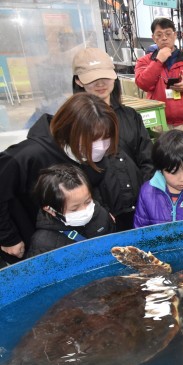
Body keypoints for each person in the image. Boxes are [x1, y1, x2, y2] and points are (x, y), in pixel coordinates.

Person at [0, 93, 118, 265]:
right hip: (30, 241)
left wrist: (102, 210)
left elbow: (95, 184)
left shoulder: (96, 154)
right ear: (69, 131)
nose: (101, 146)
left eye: (106, 138)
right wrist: (8, 238)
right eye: (92, 139)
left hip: (72, 239)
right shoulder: (27, 156)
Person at [72, 47, 154, 230]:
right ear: (78, 81)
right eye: (92, 79)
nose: (101, 83)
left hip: (140, 208)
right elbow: (76, 172)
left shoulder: (130, 116)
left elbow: (147, 158)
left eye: (105, 76)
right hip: (103, 216)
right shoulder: (74, 123)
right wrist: (97, 208)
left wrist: (146, 194)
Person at [134, 17, 183, 183]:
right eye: (159, 34)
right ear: (153, 38)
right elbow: (143, 83)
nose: (164, 38)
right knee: (164, 165)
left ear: (175, 35)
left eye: (168, 34)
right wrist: (158, 61)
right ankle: (169, 201)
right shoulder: (144, 62)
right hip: (161, 126)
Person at [25, 164, 116, 258]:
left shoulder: (101, 214)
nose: (85, 210)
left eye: (88, 202)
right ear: (50, 209)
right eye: (74, 209)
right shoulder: (43, 244)